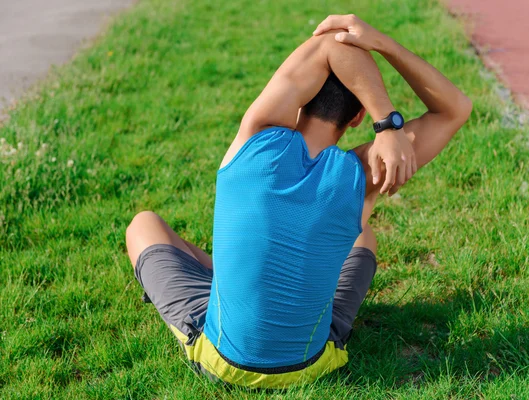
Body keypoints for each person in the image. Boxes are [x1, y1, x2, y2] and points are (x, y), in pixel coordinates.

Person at [125, 14, 471, 389]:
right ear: (357, 117)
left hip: (224, 361)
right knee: (363, 234)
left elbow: (328, 47)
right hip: (310, 364)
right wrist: (383, 53)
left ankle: (230, 285)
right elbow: (455, 109)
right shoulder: (364, 174)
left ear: (304, 98)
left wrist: (385, 118)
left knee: (143, 223)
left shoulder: (255, 138)